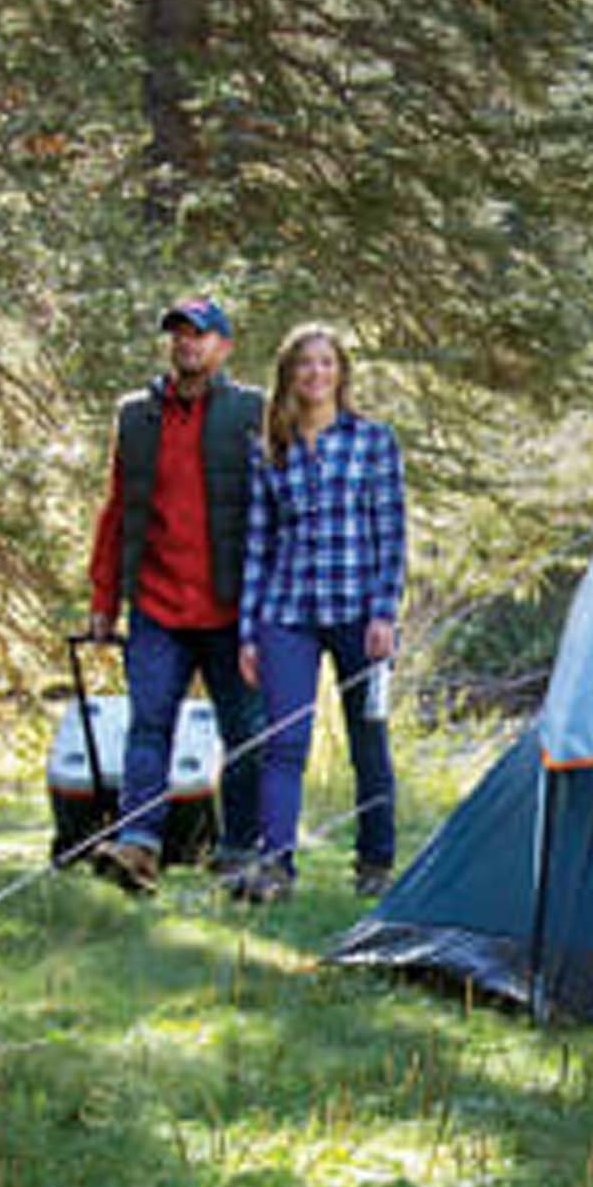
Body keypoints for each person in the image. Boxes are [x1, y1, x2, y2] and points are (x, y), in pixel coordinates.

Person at [85, 296, 268, 895]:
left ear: (224, 347)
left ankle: (240, 853)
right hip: (158, 604)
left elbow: (278, 510)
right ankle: (138, 847)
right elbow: (117, 513)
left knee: (245, 732)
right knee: (148, 725)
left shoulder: (252, 412)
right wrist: (103, 601)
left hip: (230, 608)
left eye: (200, 335)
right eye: (179, 335)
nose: (188, 344)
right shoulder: (136, 416)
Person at [228, 321, 406, 903]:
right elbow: (257, 545)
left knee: (368, 742)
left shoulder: (373, 441)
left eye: (327, 363)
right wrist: (249, 633)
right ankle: (276, 868)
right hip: (287, 614)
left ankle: (376, 864)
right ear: (289, 376)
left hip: (360, 613)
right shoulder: (271, 449)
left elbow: (391, 534)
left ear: (341, 373)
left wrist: (384, 612)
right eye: (305, 363)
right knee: (283, 745)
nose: (316, 373)